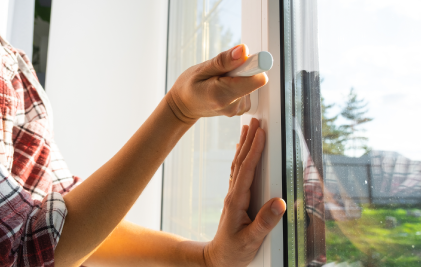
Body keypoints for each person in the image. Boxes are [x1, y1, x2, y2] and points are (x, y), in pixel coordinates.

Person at [0, 37, 284, 266]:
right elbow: (29, 250)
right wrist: (178, 110)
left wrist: (206, 258)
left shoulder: (11, 59)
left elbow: (63, 217)